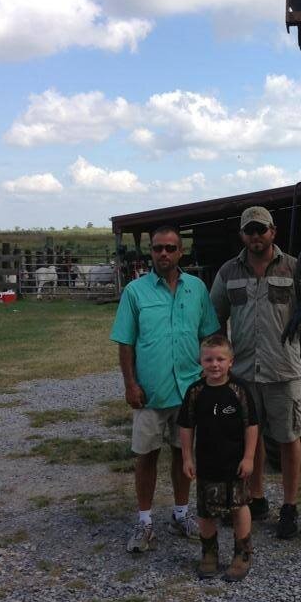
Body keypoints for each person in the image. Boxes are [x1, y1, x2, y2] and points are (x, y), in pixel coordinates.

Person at [110, 225, 220, 553]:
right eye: (158, 248)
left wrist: (211, 380)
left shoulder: (197, 289)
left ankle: (181, 513)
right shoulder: (135, 292)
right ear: (151, 252)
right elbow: (126, 342)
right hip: (151, 390)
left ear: (180, 252)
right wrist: (130, 384)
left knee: (183, 453)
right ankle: (144, 522)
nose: (164, 254)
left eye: (171, 248)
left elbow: (209, 335)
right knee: (145, 455)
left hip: (189, 390)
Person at [209, 206, 301, 538]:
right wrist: (219, 363)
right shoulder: (227, 273)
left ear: (273, 232)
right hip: (245, 373)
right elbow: (215, 320)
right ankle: (257, 497)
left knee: (289, 437)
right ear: (242, 235)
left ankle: (290, 507)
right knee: (251, 438)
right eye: (249, 230)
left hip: (283, 371)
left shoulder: (295, 268)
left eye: (261, 230)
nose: (256, 236)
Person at [179, 334, 258, 581]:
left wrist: (249, 457)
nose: (215, 364)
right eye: (209, 359)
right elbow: (186, 426)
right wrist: (187, 458)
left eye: (220, 359)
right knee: (205, 512)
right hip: (206, 464)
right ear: (200, 361)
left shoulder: (240, 390)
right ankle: (209, 553)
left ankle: (242, 553)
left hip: (235, 465)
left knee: (239, 508)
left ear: (231, 362)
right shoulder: (195, 392)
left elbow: (251, 425)